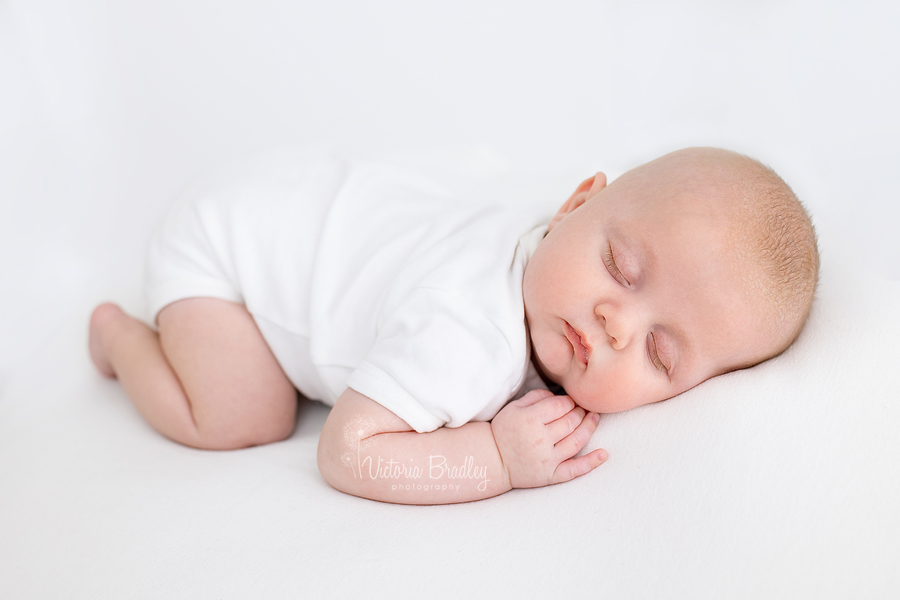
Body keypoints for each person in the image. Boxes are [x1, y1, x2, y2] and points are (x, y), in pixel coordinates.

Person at [88, 146, 819, 505]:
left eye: (660, 353)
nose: (618, 323)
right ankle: (122, 339)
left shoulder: (546, 258)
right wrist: (495, 459)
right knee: (248, 414)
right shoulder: (470, 334)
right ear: (573, 204)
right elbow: (346, 451)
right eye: (622, 268)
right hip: (221, 253)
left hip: (293, 209)